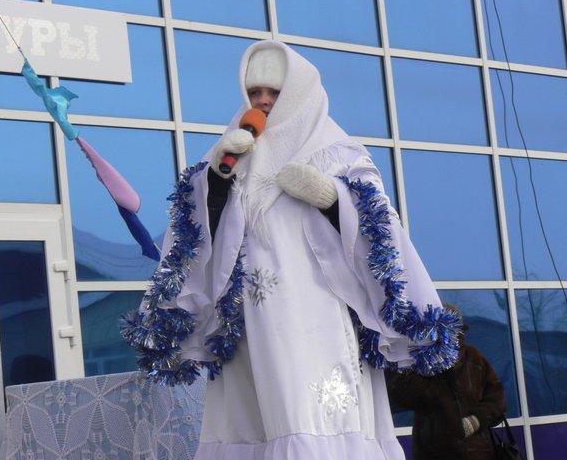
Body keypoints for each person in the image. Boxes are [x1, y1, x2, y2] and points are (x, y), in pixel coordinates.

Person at [122, 40, 462, 459]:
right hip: (248, 325)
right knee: (254, 421)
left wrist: (333, 199)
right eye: (254, 92)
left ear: (299, 91)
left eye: (274, 91)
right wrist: (216, 181)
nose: (263, 100)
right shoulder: (230, 152)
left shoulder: (338, 152)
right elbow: (194, 234)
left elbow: (383, 233)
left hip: (315, 316)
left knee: (310, 418)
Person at [388, 304, 507, 460]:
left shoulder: (474, 358)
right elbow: (400, 395)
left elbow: (498, 401)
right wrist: (426, 365)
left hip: (476, 452)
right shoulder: (420, 359)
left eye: (448, 329)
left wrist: (476, 420)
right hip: (432, 453)